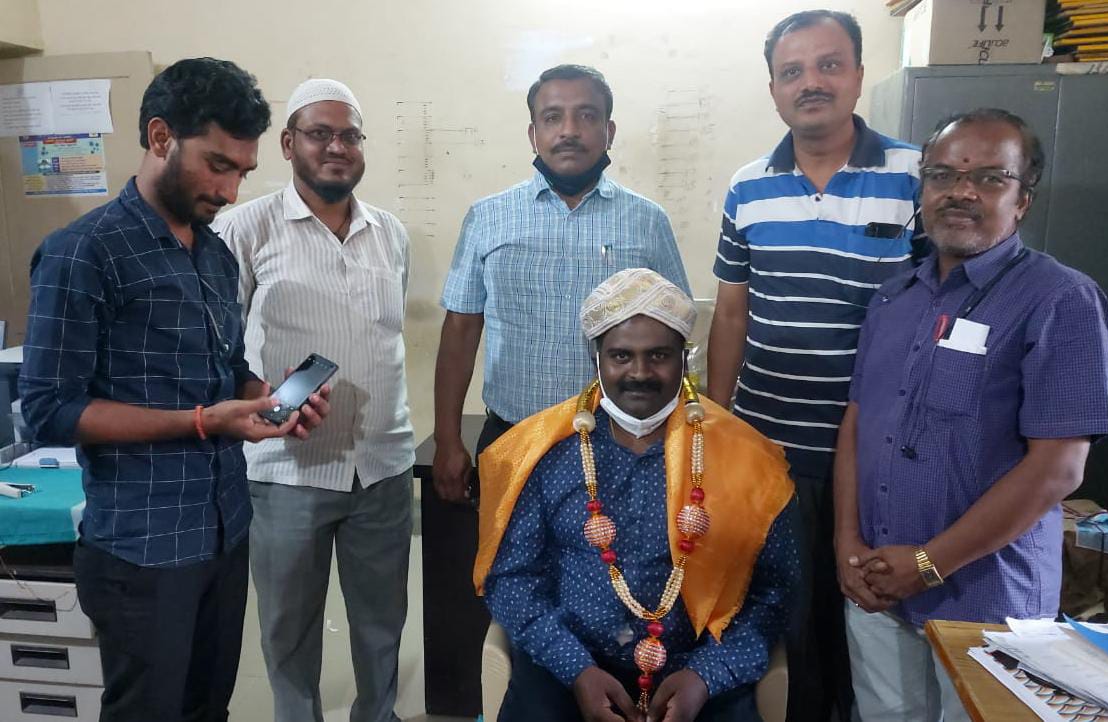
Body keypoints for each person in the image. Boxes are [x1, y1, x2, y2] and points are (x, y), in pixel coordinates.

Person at [19, 58, 330, 722]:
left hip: (225, 531)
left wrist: (268, 398)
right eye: (217, 166)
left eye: (242, 172)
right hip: (142, 549)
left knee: (208, 708)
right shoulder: (82, 253)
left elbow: (227, 368)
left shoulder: (213, 253)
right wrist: (204, 421)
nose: (230, 190)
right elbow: (49, 408)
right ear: (161, 138)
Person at [835, 108, 1108, 721]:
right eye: (942, 175)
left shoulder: (1061, 301)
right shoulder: (893, 299)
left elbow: (1058, 469)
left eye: (990, 178)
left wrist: (929, 564)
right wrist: (846, 543)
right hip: (878, 588)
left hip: (989, 602)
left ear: (1023, 200)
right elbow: (859, 424)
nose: (961, 191)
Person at [705, 10, 922, 719]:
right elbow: (731, 313)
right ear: (773, 89)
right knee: (789, 612)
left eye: (829, 65)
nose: (812, 83)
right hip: (772, 448)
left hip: (884, 452)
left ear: (858, 75)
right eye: (792, 71)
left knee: (871, 610)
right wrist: (716, 425)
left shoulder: (915, 176)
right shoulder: (748, 187)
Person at [476, 268, 799, 722]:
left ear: (684, 360)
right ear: (597, 360)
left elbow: (774, 594)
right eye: (621, 356)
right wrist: (576, 670)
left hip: (698, 671)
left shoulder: (746, 460)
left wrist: (706, 676)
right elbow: (512, 579)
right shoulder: (544, 452)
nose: (640, 373)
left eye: (659, 355)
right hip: (568, 666)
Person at [213, 78, 413, 722]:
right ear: (287, 144)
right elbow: (216, 347)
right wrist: (261, 395)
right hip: (286, 471)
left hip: (382, 465)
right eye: (319, 133)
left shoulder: (390, 233)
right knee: (288, 630)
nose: (336, 147)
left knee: (382, 624)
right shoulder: (242, 229)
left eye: (349, 135)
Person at [435, 64, 690, 505]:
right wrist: (446, 438)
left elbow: (677, 335)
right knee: (508, 551)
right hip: (513, 438)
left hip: (623, 443)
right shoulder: (487, 218)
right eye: (552, 117)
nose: (569, 130)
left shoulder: (647, 222)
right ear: (533, 134)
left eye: (586, 115)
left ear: (609, 131)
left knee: (613, 552)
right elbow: (460, 330)